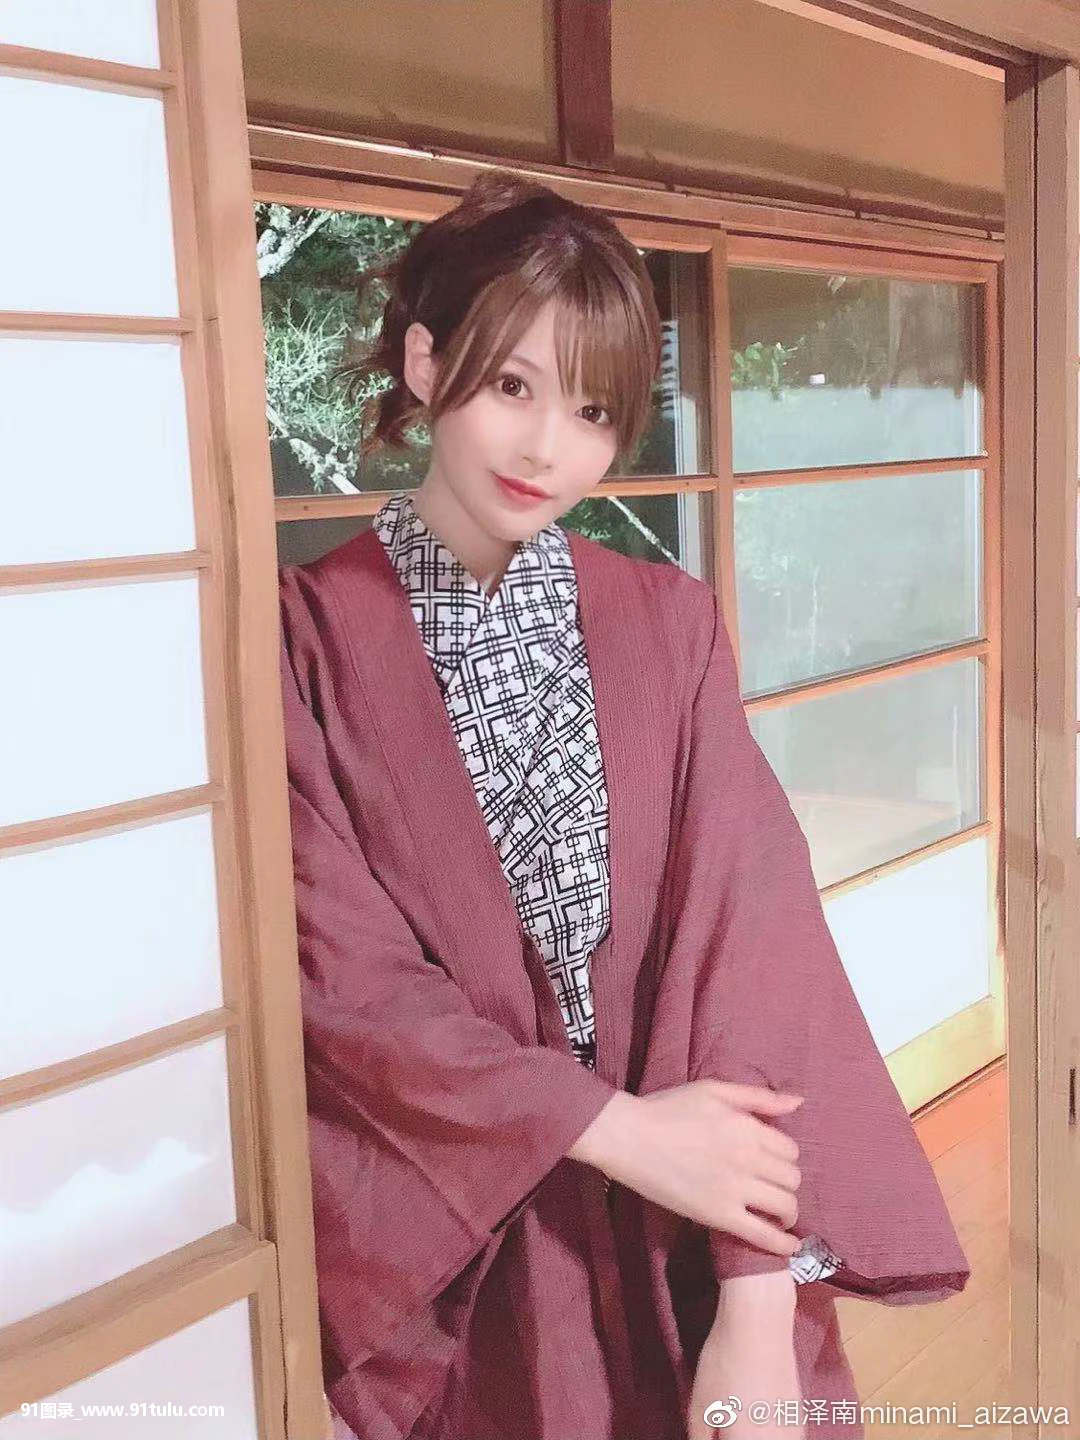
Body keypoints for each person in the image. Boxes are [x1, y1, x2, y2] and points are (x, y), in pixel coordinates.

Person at [277, 169, 969, 1440]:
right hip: (483, 1236)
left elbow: (748, 933)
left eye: (593, 409)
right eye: (511, 386)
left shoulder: (667, 623)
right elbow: (342, 980)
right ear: (426, 364)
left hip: (695, 1221)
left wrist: (756, 1293)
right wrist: (604, 1127)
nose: (550, 449)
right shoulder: (306, 639)